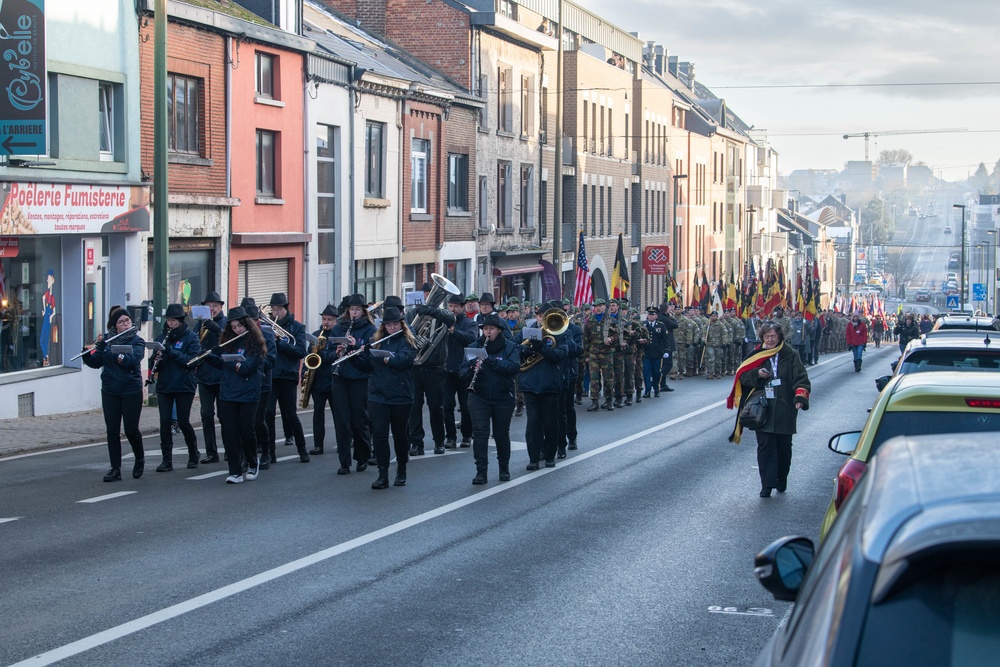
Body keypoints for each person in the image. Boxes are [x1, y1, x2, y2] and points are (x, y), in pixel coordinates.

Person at [728, 322, 810, 497]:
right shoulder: (756, 355)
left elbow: (801, 378)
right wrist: (756, 374)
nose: (771, 340)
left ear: (779, 337)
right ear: (762, 337)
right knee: (765, 447)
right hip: (762, 409)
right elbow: (742, 376)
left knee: (784, 447)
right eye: (767, 337)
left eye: (773, 336)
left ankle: (781, 479)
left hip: (785, 407)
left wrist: (800, 397)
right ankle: (766, 484)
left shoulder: (791, 355)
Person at [350, 306, 417, 489]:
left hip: (401, 395)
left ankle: (401, 470)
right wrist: (355, 356)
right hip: (378, 395)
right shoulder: (377, 342)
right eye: (389, 325)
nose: (392, 328)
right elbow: (367, 367)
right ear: (384, 326)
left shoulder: (408, 342)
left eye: (396, 324)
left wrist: (379, 357)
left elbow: (401, 362)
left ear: (401, 325)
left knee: (400, 435)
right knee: (379, 436)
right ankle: (383, 474)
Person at [203, 307, 266, 484]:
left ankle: (253, 463)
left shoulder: (256, 345)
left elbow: (245, 368)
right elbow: (224, 365)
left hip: (248, 393)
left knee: (247, 431)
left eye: (240, 326)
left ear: (247, 325)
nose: (237, 330)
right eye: (233, 327)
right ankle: (235, 471)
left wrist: (225, 357)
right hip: (228, 392)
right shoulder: (229, 343)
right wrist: (208, 357)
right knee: (229, 432)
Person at [82, 306, 146, 482]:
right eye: (121, 322)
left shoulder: (136, 341)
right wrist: (87, 355)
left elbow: (130, 361)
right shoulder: (108, 341)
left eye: (127, 321)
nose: (125, 324)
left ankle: (139, 458)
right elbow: (97, 362)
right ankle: (115, 469)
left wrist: (110, 350)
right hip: (110, 390)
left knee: (131, 429)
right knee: (112, 431)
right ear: (115, 326)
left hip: (130, 390)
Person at [461, 313, 520, 483]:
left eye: (491, 329)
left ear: (499, 330)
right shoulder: (474, 347)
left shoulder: (509, 347)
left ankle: (504, 469)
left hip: (503, 396)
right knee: (480, 433)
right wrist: (472, 367)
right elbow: (462, 371)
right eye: (485, 329)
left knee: (501, 434)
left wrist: (490, 362)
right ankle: (481, 471)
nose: (488, 332)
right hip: (479, 395)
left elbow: (514, 368)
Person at [515, 300, 569, 470]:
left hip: (550, 384)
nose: (541, 319)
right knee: (533, 423)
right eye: (539, 316)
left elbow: (559, 355)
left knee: (550, 422)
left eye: (544, 316)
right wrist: (524, 350)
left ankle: (550, 455)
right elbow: (511, 345)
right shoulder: (527, 331)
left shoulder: (560, 334)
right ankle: (533, 457)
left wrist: (541, 348)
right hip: (530, 384)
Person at [150, 303, 202, 472]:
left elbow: (192, 360)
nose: (170, 324)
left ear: (180, 321)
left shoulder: (190, 337)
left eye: (173, 321)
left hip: (184, 384)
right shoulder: (161, 338)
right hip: (165, 384)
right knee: (164, 422)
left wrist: (170, 352)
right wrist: (155, 361)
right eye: (168, 321)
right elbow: (154, 364)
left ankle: (193, 453)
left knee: (183, 421)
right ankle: (166, 460)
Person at [329, 295, 377, 473]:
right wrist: (336, 352)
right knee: (342, 422)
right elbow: (326, 355)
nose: (354, 313)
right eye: (351, 309)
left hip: (359, 379)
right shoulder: (338, 328)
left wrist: (355, 348)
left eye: (357, 309)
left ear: (363, 311)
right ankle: (344, 462)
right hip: (340, 377)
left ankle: (362, 457)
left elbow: (369, 361)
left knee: (359, 421)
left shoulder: (370, 330)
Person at [265, 293, 311, 463]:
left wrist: (280, 342)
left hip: (288, 375)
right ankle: (270, 452)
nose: (276, 313)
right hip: (272, 374)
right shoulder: (267, 327)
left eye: (279, 309)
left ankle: (302, 449)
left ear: (286, 308)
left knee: (291, 414)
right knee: (268, 413)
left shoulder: (297, 327)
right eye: (273, 309)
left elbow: (300, 351)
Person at [407, 295, 456, 456]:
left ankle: (439, 441)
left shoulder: (442, 315)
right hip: (415, 368)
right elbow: (406, 329)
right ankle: (416, 443)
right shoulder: (413, 313)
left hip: (435, 368)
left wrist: (430, 311)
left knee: (436, 407)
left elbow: (451, 319)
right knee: (414, 407)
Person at [195, 292, 226, 464]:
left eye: (215, 306)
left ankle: (230, 449)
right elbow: (194, 342)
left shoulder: (227, 322)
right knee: (206, 414)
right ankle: (211, 452)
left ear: (221, 307)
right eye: (208, 306)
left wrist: (217, 329)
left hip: (221, 375)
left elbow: (231, 341)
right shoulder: (200, 324)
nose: (212, 309)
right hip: (205, 375)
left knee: (224, 415)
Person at [443, 294, 478, 449]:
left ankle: (466, 435)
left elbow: (471, 338)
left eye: (455, 306)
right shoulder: (443, 323)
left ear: (462, 307)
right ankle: (450, 437)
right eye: (450, 306)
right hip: (447, 370)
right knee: (447, 406)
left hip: (464, 371)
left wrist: (454, 331)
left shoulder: (470, 324)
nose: (452, 309)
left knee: (465, 406)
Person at [306, 304, 340, 457]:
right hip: (318, 380)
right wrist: (304, 375)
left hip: (334, 379)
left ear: (336, 321)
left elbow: (335, 356)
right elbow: (309, 357)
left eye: (329, 320)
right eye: (324, 319)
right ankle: (318, 445)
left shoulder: (338, 336)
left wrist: (322, 354)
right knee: (318, 414)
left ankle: (342, 442)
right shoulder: (315, 334)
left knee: (338, 414)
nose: (326, 322)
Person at [642, 306, 668, 396]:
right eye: (649, 314)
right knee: (646, 372)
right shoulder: (644, 325)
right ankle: (647, 390)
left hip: (657, 353)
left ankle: (657, 389)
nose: (651, 316)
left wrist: (666, 351)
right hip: (646, 353)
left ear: (656, 316)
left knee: (656, 372)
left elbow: (665, 339)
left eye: (653, 314)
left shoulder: (661, 325)